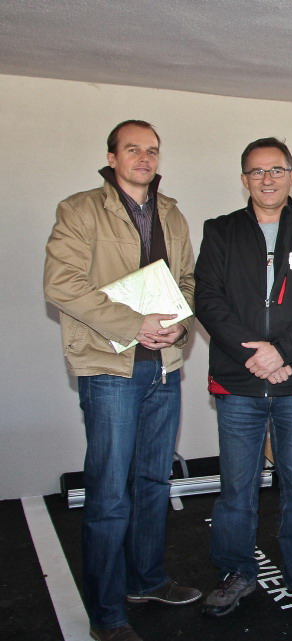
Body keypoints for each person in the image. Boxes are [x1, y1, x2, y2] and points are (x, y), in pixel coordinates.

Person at [43, 120, 199, 641]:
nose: (144, 158)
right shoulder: (80, 209)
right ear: (112, 158)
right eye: (133, 149)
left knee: (153, 482)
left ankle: (146, 581)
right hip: (110, 369)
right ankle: (107, 615)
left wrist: (180, 322)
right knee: (109, 494)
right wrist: (135, 325)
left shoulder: (172, 213)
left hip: (164, 366)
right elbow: (61, 284)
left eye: (152, 150)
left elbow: (187, 282)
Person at [194, 138, 292, 617]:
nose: (267, 179)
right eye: (257, 172)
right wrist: (255, 355)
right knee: (237, 488)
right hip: (239, 382)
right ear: (244, 180)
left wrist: (285, 351)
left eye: (276, 170)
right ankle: (236, 571)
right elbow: (208, 298)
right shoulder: (220, 230)